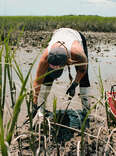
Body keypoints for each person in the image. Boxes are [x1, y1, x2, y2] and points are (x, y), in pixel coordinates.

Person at [33, 28, 90, 124]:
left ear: (66, 62)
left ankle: (87, 111)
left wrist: (74, 84)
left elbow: (82, 70)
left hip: (76, 36)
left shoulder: (78, 54)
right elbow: (38, 81)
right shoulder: (46, 57)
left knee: (84, 79)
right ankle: (41, 111)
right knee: (46, 79)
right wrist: (34, 102)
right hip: (59, 33)